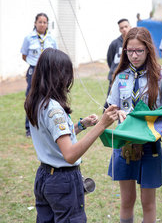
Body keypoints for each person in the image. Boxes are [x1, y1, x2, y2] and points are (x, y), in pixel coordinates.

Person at [24, 48, 118, 222]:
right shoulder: (54, 109)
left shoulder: (35, 101)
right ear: (57, 75)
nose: (69, 79)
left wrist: (81, 126)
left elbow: (55, 138)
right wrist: (103, 125)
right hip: (62, 181)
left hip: (45, 175)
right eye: (66, 73)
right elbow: (70, 154)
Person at [106, 27, 162, 223]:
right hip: (125, 143)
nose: (134, 55)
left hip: (150, 145)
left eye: (139, 50)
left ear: (148, 49)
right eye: (129, 51)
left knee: (148, 203)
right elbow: (110, 107)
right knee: (127, 200)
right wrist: (116, 112)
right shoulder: (121, 76)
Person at [21, 13, 58, 138]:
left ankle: (45, 125)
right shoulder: (29, 38)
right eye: (40, 22)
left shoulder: (51, 38)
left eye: (44, 22)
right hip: (34, 70)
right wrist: (34, 65)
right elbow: (24, 55)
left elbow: (55, 54)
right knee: (32, 97)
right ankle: (29, 128)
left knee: (48, 97)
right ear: (35, 23)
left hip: (48, 72)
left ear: (47, 24)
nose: (42, 24)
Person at [104, 18, 131, 110]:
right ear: (119, 30)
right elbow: (110, 59)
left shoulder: (134, 42)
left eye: (126, 27)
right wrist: (114, 70)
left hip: (129, 76)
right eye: (121, 28)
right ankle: (105, 118)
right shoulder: (115, 43)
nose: (124, 29)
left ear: (130, 26)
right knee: (110, 101)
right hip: (115, 76)